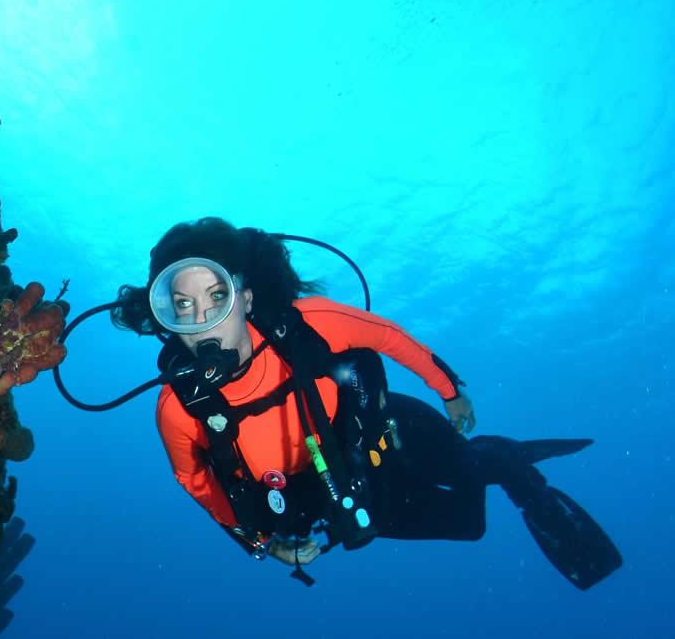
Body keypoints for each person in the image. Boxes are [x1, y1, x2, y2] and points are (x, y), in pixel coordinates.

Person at [110, 217, 621, 589]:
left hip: (388, 430)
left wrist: (449, 391)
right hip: (330, 484)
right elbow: (195, 480)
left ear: (244, 298)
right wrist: (261, 544)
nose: (202, 320)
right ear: (165, 316)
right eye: (182, 305)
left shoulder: (306, 324)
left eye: (216, 296)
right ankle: (493, 462)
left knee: (469, 483)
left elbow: (386, 336)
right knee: (470, 526)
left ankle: (499, 459)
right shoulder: (179, 409)